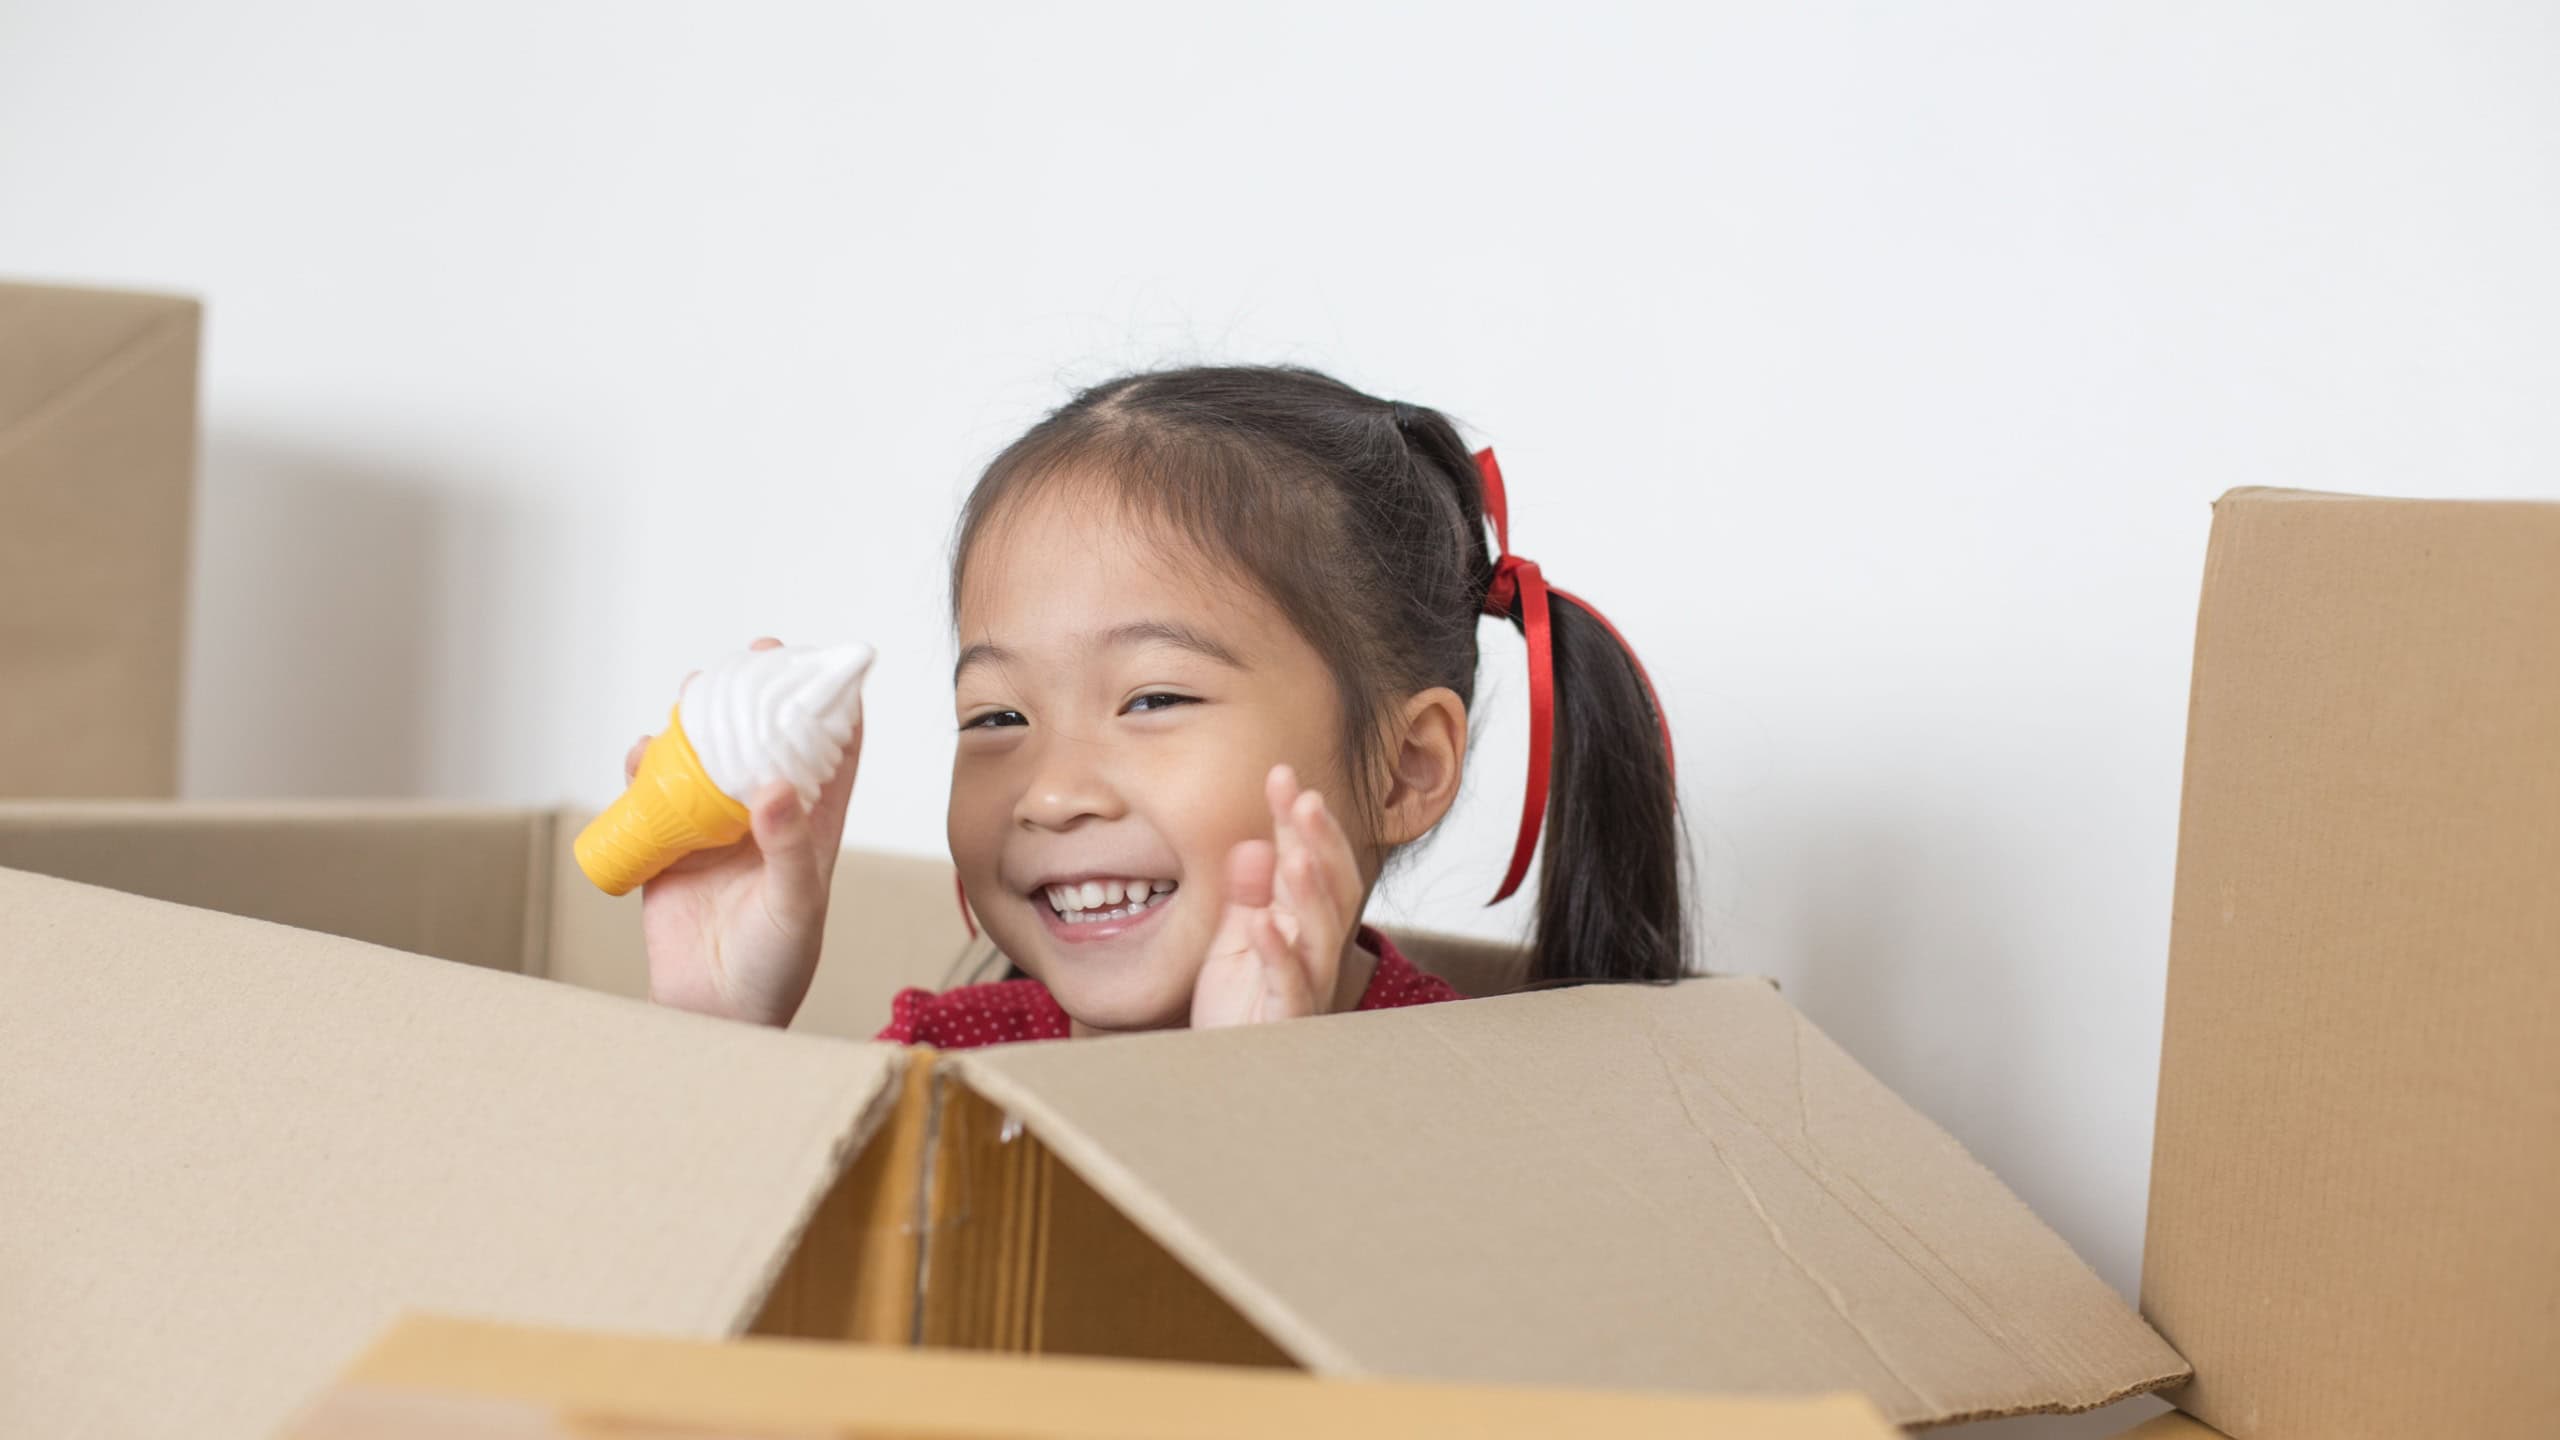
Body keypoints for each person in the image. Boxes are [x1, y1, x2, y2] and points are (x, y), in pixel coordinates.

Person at [634, 366, 1685, 1049]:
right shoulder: (944, 1061)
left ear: (1405, 768)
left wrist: (1236, 1106)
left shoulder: (1466, 1100)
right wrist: (712, 1029)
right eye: (997, 716)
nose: (1049, 793)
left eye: (1151, 698)